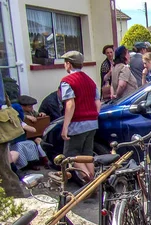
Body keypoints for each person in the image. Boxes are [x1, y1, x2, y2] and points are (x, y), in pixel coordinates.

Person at [59, 51, 101, 181]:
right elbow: (98, 103)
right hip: (92, 123)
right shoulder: (90, 81)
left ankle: (88, 181)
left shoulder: (67, 81)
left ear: (68, 64)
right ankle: (94, 182)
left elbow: (70, 104)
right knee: (87, 154)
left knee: (71, 155)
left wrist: (65, 126)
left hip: (77, 123)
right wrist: (93, 116)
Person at [9, 95, 49, 170]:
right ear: (22, 107)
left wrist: (41, 114)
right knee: (23, 146)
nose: (32, 109)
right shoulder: (18, 114)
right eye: (30, 107)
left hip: (31, 136)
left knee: (38, 141)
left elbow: (37, 116)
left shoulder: (31, 112)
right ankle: (23, 165)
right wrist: (26, 117)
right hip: (17, 139)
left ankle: (41, 161)